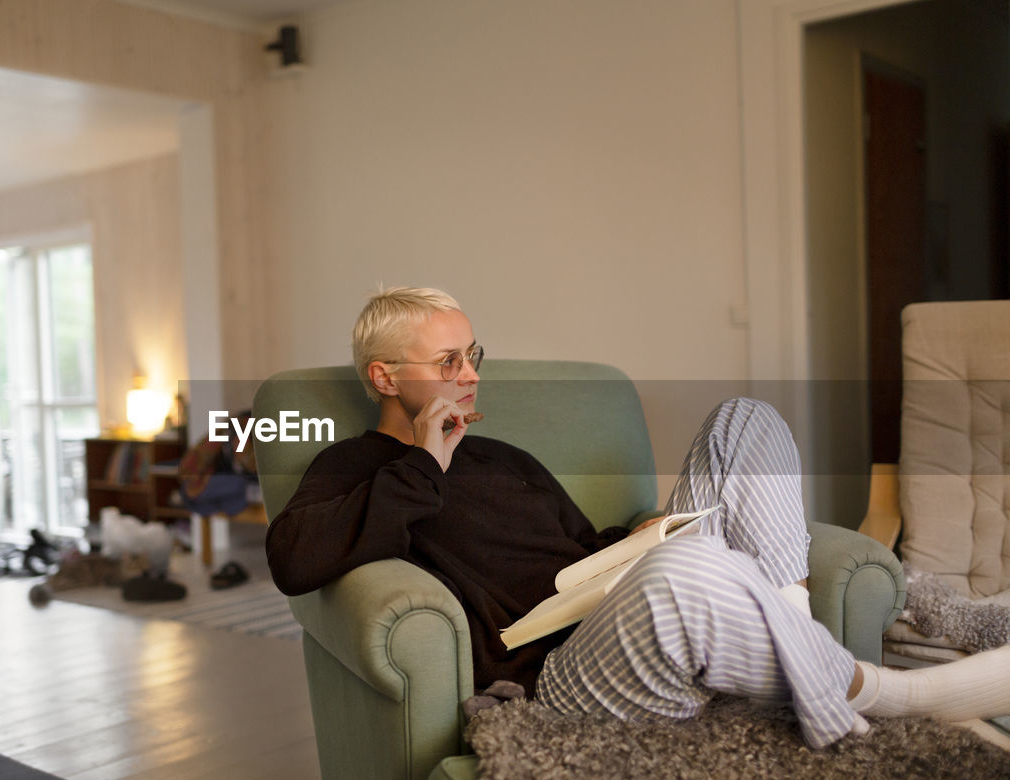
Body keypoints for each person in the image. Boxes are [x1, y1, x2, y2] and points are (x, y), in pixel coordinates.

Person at [266, 286, 1010, 749]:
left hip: (617, 607)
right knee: (687, 569)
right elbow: (294, 561)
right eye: (449, 361)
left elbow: (580, 550)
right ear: (385, 377)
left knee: (742, 421)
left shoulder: (503, 457)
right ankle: (905, 697)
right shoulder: (358, 469)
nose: (470, 376)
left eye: (474, 355)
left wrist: (640, 540)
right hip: (557, 673)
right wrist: (424, 464)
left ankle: (799, 644)